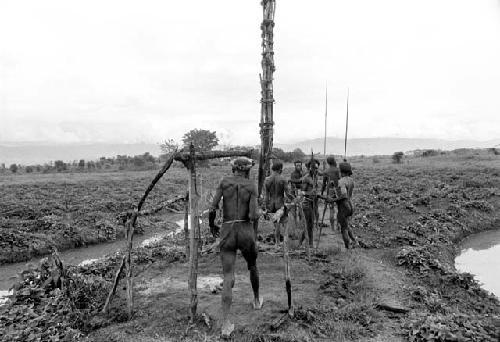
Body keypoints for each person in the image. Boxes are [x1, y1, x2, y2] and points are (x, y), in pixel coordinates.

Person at [209, 157, 263, 338]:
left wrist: (212, 226)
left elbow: (213, 208)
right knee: (252, 266)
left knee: (228, 276)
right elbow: (253, 215)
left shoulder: (224, 182)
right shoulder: (251, 186)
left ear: (233, 169)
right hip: (246, 231)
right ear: (247, 170)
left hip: (227, 231)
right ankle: (256, 300)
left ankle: (225, 324)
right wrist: (260, 211)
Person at [264, 160, 290, 244]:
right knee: (285, 222)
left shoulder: (267, 180)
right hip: (280, 204)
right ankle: (285, 242)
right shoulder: (283, 179)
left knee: (276, 224)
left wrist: (266, 207)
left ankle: (277, 243)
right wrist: (294, 200)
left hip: (271, 204)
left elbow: (266, 196)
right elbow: (288, 194)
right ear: (280, 169)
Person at [335, 161, 357, 249]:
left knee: (343, 229)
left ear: (341, 171)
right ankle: (355, 241)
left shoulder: (341, 181)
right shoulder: (351, 180)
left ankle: (347, 248)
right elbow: (348, 193)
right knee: (347, 225)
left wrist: (332, 199)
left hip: (344, 207)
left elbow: (343, 195)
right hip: (351, 204)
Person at [299, 158, 320, 248]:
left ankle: (309, 243)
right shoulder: (306, 178)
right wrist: (310, 193)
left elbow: (315, 192)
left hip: (313, 203)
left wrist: (318, 195)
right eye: (314, 168)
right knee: (308, 225)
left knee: (311, 224)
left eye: (317, 168)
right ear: (309, 168)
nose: (316, 170)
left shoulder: (315, 177)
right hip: (306, 203)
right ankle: (302, 243)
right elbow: (301, 193)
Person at [321, 156, 340, 231]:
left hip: (330, 191)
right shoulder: (337, 170)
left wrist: (322, 193)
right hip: (338, 190)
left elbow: (323, 184)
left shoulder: (326, 171)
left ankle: (332, 228)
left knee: (331, 209)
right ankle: (338, 225)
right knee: (339, 209)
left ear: (328, 162)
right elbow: (340, 180)